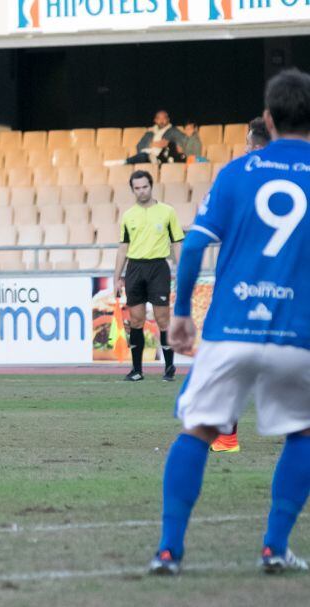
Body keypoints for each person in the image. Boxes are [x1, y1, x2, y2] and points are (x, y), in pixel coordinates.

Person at [149, 68, 310, 576]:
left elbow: (195, 242)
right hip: (298, 331)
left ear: (267, 118)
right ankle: (274, 547)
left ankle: (169, 551)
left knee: (197, 429)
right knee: (304, 433)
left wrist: (180, 315)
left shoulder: (237, 173)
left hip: (231, 327)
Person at [211, 116, 275, 455]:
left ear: (255, 146)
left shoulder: (238, 180)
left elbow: (211, 232)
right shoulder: (296, 177)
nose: (245, 149)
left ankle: (227, 438)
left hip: (247, 285)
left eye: (248, 144)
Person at [113, 170, 183, 382]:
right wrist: (117, 277)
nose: (142, 191)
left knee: (163, 319)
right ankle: (136, 370)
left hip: (158, 268)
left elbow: (177, 242)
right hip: (135, 268)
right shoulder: (128, 215)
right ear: (132, 190)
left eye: (145, 187)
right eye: (137, 188)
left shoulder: (167, 212)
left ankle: (169, 367)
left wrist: (181, 269)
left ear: (151, 186)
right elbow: (123, 248)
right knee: (136, 319)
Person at [112, 111, 187, 165]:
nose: (161, 121)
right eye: (159, 119)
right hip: (147, 155)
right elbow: (139, 146)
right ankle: (125, 162)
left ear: (168, 119)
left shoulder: (173, 131)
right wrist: (151, 144)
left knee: (145, 156)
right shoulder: (150, 132)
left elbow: (184, 142)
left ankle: (124, 162)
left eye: (164, 118)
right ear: (155, 120)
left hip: (162, 156)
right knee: (144, 155)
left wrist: (169, 144)